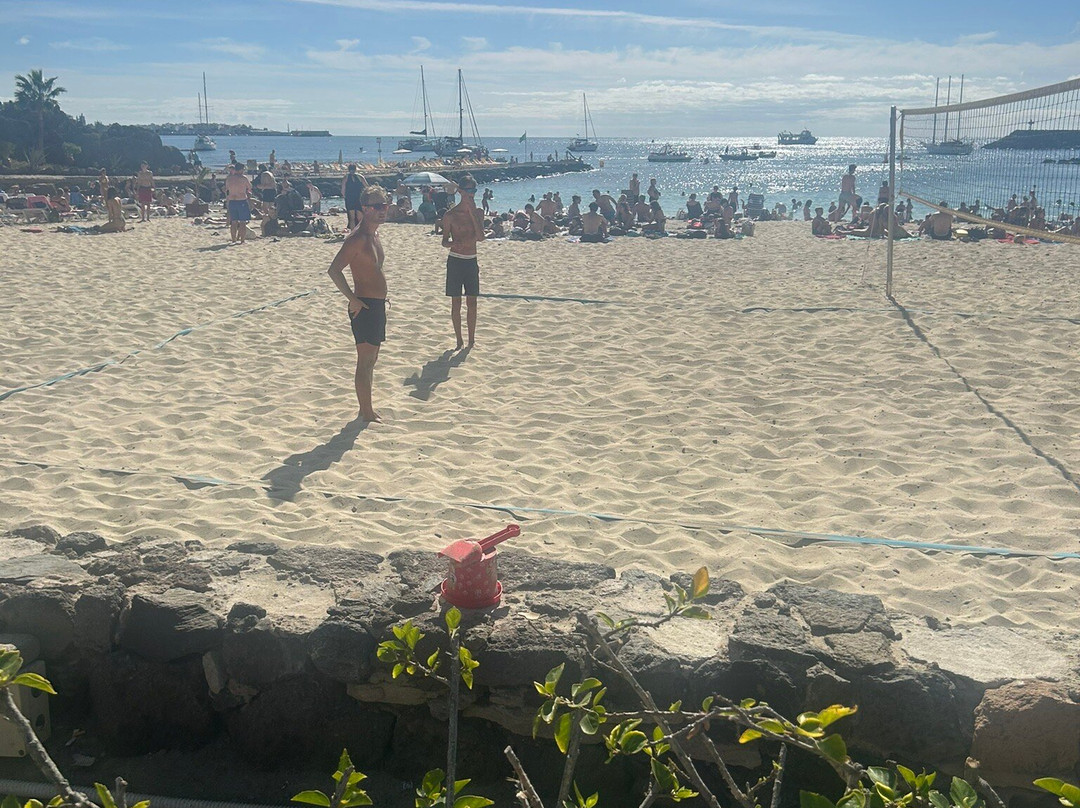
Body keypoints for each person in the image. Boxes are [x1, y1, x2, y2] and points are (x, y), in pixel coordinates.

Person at [326, 185, 390, 422]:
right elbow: (334, 270)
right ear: (364, 208)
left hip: (377, 305)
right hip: (364, 305)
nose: (382, 210)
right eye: (377, 206)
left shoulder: (375, 235)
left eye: (385, 205)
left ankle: (367, 408)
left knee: (372, 359)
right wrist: (352, 299)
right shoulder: (358, 238)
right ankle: (366, 412)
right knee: (364, 361)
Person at [442, 174, 484, 349]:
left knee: (472, 301)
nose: (471, 194)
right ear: (460, 191)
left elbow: (480, 237)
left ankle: (471, 339)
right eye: (468, 191)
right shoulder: (450, 215)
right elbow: (444, 241)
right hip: (455, 260)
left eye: (473, 190)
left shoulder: (479, 212)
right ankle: (459, 339)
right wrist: (453, 243)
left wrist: (472, 213)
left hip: (471, 260)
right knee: (456, 301)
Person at [224, 162, 253, 243]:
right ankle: (242, 240)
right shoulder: (243, 178)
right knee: (242, 222)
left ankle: (234, 240)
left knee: (233, 222)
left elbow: (226, 189)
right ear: (240, 170)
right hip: (241, 201)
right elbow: (250, 187)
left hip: (232, 201)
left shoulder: (229, 178)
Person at [342, 164, 367, 229]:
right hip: (359, 197)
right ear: (355, 169)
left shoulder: (346, 177)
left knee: (352, 217)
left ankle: (353, 232)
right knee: (360, 217)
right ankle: (360, 230)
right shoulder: (360, 177)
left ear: (348, 169)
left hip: (350, 198)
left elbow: (343, 189)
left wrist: (345, 197)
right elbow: (366, 187)